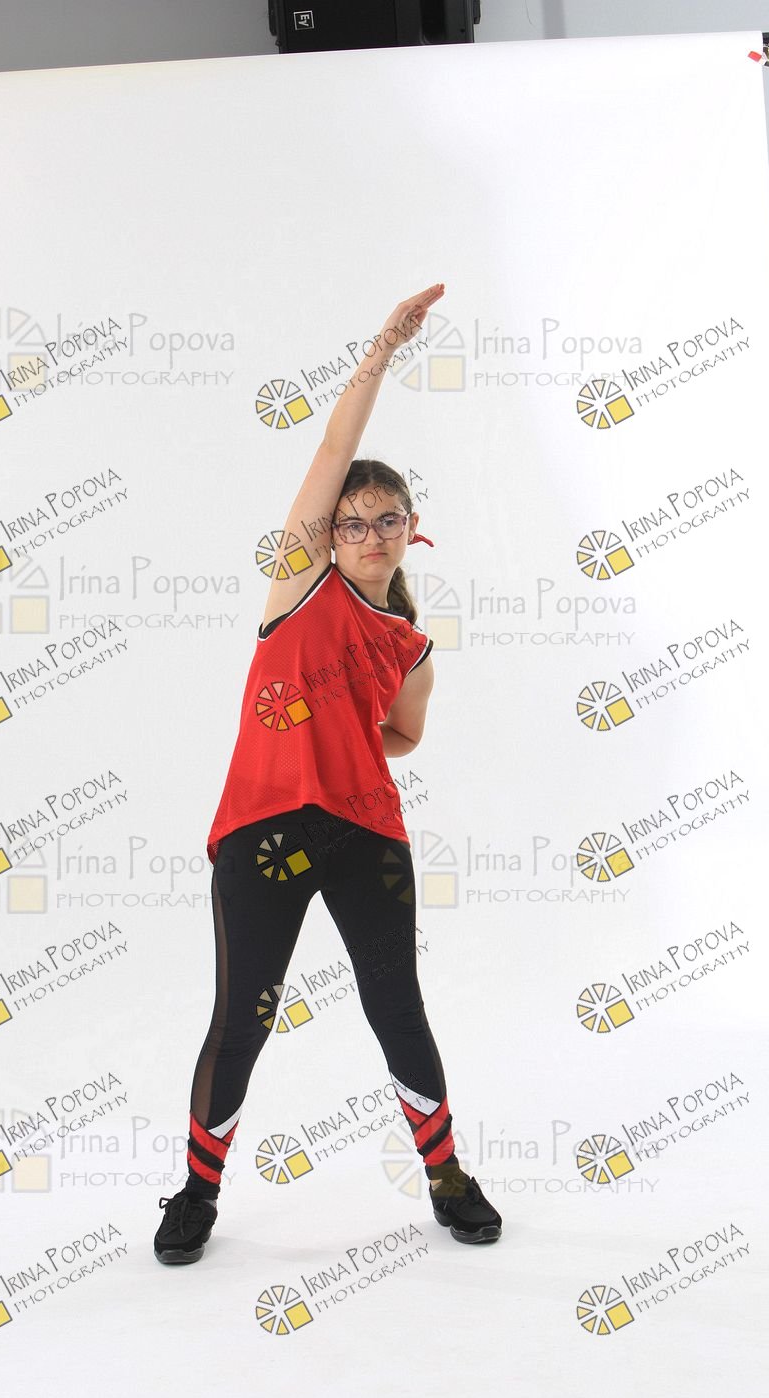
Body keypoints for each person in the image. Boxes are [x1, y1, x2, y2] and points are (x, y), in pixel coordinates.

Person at [154, 283, 502, 1264]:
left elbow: (402, 737)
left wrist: (341, 741)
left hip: (367, 836)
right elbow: (329, 447)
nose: (370, 533)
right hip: (263, 831)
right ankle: (197, 1193)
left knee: (398, 1010)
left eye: (387, 518)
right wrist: (384, 350)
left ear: (410, 527)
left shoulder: (413, 647)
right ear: (330, 535)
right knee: (243, 1018)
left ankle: (447, 1178)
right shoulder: (298, 581)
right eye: (352, 521)